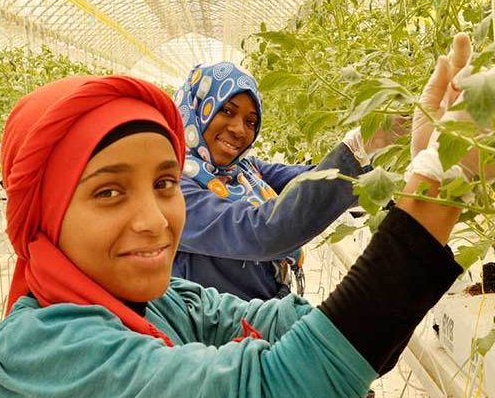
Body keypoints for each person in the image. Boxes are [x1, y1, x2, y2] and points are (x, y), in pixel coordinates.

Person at [0, 35, 495, 398]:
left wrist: (398, 159)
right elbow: (273, 393)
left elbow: (297, 328)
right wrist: (435, 189)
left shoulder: (162, 301)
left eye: (164, 182)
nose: (154, 220)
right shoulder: (38, 364)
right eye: (109, 191)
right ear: (43, 212)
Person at [171, 62, 401, 300]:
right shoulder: (172, 188)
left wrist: (383, 158)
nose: (240, 130)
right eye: (227, 111)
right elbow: (262, 231)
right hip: (217, 332)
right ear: (198, 108)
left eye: (251, 122)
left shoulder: (244, 170)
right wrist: (355, 148)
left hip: (263, 316)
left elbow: (314, 178)